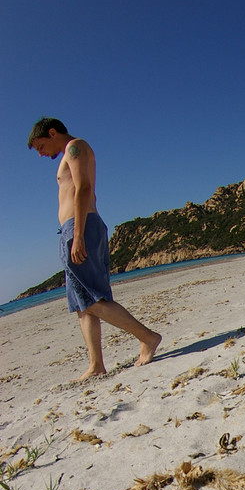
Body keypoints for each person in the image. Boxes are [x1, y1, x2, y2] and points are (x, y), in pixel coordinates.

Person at [28, 117, 161, 380]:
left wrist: (77, 235)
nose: (42, 154)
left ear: (52, 133)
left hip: (81, 226)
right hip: (79, 226)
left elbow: (84, 187)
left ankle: (148, 337)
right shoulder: (71, 151)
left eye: (41, 146)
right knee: (82, 302)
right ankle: (96, 364)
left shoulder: (75, 147)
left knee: (91, 298)